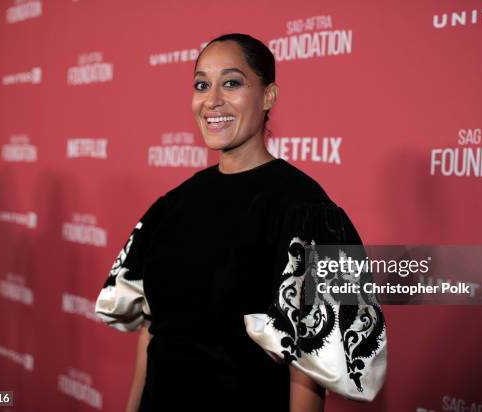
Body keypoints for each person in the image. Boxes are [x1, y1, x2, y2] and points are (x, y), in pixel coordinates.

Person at [95, 33, 387, 412]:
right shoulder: (170, 207)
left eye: (231, 83)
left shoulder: (305, 211)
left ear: (269, 96)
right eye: (202, 85)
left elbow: (311, 368)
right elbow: (153, 331)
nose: (212, 100)